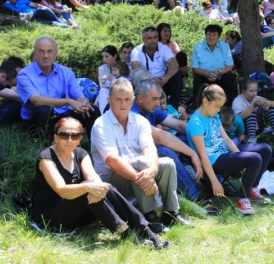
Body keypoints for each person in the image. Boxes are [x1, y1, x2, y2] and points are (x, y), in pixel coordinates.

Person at [32, 117, 167, 248]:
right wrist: (87, 187)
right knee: (87, 190)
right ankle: (126, 233)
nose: (69, 140)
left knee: (105, 187)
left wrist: (96, 187)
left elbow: (93, 177)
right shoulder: (46, 159)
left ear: (80, 138)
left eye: (75, 136)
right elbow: (62, 190)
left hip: (76, 215)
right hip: (50, 218)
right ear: (55, 137)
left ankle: (145, 230)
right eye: (64, 135)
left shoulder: (81, 153)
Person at [91, 79, 190, 234]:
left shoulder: (139, 120)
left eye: (127, 100)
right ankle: (148, 216)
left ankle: (171, 212)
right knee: (142, 162)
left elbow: (149, 147)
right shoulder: (101, 125)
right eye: (118, 100)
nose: (123, 104)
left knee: (167, 163)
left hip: (138, 174)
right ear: (109, 101)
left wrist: (152, 170)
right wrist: (144, 179)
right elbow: (113, 161)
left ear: (133, 101)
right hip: (112, 182)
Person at [187, 84, 272, 215]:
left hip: (225, 153)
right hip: (214, 162)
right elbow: (203, 155)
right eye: (217, 106)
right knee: (255, 158)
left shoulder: (213, 116)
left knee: (265, 149)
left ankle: (251, 189)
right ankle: (242, 200)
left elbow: (227, 140)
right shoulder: (196, 123)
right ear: (205, 101)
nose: (218, 110)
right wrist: (215, 182)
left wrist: (241, 159)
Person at [131, 79, 204, 204]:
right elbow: (161, 137)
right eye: (154, 99)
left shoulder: (150, 108)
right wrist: (193, 153)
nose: (158, 103)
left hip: (149, 151)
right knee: (165, 151)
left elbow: (178, 125)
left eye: (159, 99)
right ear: (140, 98)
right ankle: (195, 197)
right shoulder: (132, 113)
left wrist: (203, 134)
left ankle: (214, 183)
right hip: (136, 156)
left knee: (190, 138)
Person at [16, 37, 100, 139]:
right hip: (38, 118)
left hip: (64, 115)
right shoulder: (24, 74)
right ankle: (43, 145)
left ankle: (95, 147)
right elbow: (36, 100)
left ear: (56, 53)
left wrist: (84, 103)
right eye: (41, 52)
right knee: (44, 109)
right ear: (35, 54)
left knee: (93, 110)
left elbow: (79, 96)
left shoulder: (66, 72)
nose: (46, 56)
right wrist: (68, 101)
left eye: (49, 51)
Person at [131, 26, 182, 109]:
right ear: (143, 39)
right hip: (146, 84)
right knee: (139, 76)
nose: (153, 41)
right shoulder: (137, 51)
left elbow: (174, 64)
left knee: (177, 74)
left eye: (155, 37)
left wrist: (165, 78)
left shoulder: (163, 48)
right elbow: (137, 69)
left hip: (162, 82)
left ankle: (174, 108)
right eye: (149, 38)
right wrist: (151, 79)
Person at [191, 24, 238, 104]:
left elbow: (230, 66)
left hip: (220, 76)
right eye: (209, 34)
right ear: (206, 35)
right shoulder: (197, 47)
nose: (211, 37)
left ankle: (234, 104)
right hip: (204, 76)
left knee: (230, 76)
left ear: (218, 36)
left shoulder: (225, 46)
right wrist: (206, 74)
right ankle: (197, 105)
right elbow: (195, 68)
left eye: (214, 35)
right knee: (197, 78)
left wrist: (218, 73)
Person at [232, 78, 274, 143]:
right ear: (243, 91)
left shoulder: (257, 98)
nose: (254, 94)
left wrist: (269, 104)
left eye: (256, 90)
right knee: (251, 113)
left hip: (259, 127)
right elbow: (238, 118)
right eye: (251, 91)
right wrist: (253, 106)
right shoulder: (237, 101)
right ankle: (251, 139)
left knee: (268, 107)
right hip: (244, 130)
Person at [3, 0, 69, 27]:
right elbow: (13, 14)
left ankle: (60, 20)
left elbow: (34, 4)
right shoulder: (6, 5)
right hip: (30, 17)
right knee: (52, 23)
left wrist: (41, 6)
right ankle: (67, 26)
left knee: (45, 9)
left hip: (36, 12)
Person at [96, 45, 121, 113]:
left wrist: (110, 80)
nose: (104, 60)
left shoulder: (123, 67)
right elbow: (102, 86)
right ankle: (104, 116)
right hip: (107, 92)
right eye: (103, 57)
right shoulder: (102, 69)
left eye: (107, 56)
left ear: (115, 56)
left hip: (121, 92)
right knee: (103, 91)